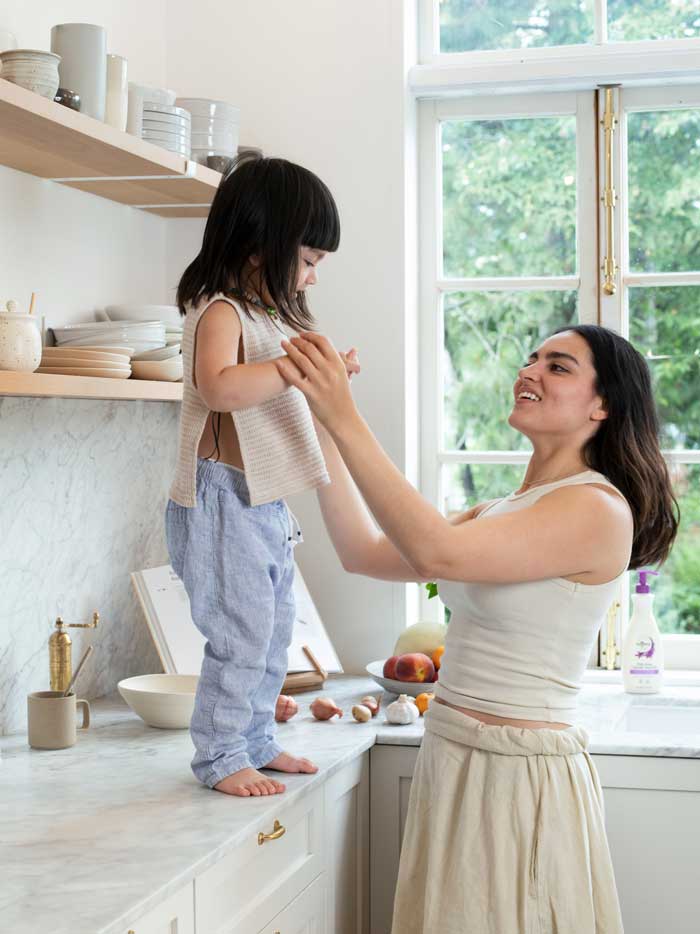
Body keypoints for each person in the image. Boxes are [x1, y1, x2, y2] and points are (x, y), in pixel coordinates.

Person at [275, 323, 679, 933]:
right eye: (531, 358)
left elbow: (438, 554)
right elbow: (363, 552)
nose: (531, 371)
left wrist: (345, 413)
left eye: (559, 366)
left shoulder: (595, 507)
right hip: (455, 759)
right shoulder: (500, 510)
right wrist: (324, 421)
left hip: (517, 778)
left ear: (604, 405)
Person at [165, 155, 359, 798]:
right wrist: (292, 371)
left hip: (262, 502)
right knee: (240, 632)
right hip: (220, 500)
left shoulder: (271, 317)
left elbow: (278, 385)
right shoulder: (219, 311)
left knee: (274, 629)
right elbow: (218, 386)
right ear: (258, 248)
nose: (309, 278)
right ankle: (220, 754)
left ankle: (253, 741)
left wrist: (331, 369)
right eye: (306, 261)